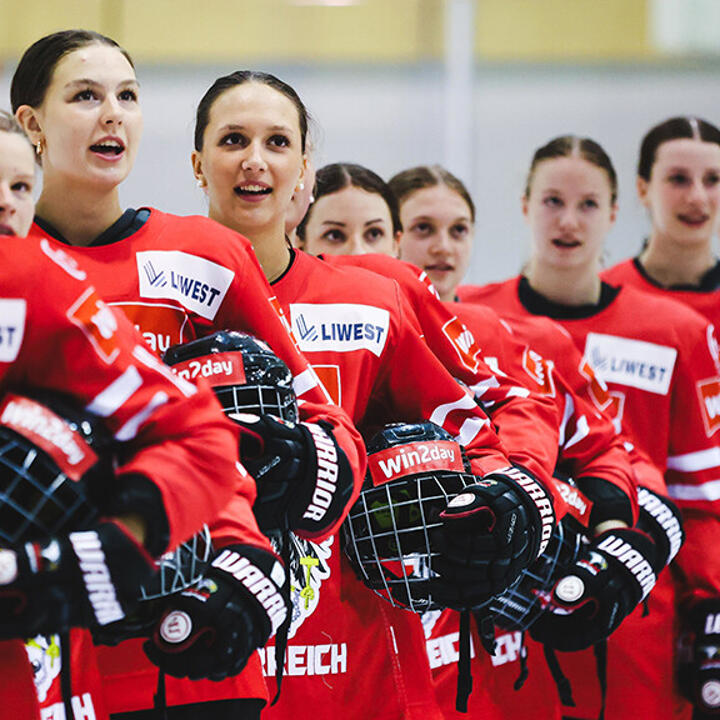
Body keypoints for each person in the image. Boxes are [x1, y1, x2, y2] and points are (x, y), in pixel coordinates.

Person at [11, 30, 366, 720]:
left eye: (128, 96)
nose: (113, 114)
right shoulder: (13, 272)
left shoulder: (206, 254)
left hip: (197, 641)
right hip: (45, 644)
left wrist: (297, 462)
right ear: (31, 124)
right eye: (86, 96)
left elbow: (328, 427)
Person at [191, 70, 565, 720]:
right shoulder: (162, 294)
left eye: (277, 141)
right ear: (198, 163)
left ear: (304, 169)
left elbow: (480, 426)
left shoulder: (371, 299)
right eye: (233, 139)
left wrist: (506, 503)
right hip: (207, 655)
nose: (255, 160)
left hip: (363, 664)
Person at [302, 161, 651, 719]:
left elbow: (605, 450)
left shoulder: (510, 335)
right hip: (356, 640)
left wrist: (592, 527)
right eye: (335, 236)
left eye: (374, 234)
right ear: (303, 241)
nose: (357, 253)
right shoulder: (298, 337)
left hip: (492, 659)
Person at [0, 111, 266, 720]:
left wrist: (119, 546)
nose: (5, 205)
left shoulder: (37, 288)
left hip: (33, 672)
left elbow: (196, 432)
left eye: (19, 187)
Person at [456, 135, 720, 719]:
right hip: (509, 616)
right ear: (524, 206)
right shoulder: (476, 319)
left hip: (637, 613)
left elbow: (704, 498)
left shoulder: (672, 330)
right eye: (552, 201)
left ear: (617, 212)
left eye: (589, 205)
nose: (569, 221)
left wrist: (709, 604)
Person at [602, 116, 720, 718]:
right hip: (636, 588)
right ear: (643, 189)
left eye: (712, 179)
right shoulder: (595, 300)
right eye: (678, 178)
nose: (697, 197)